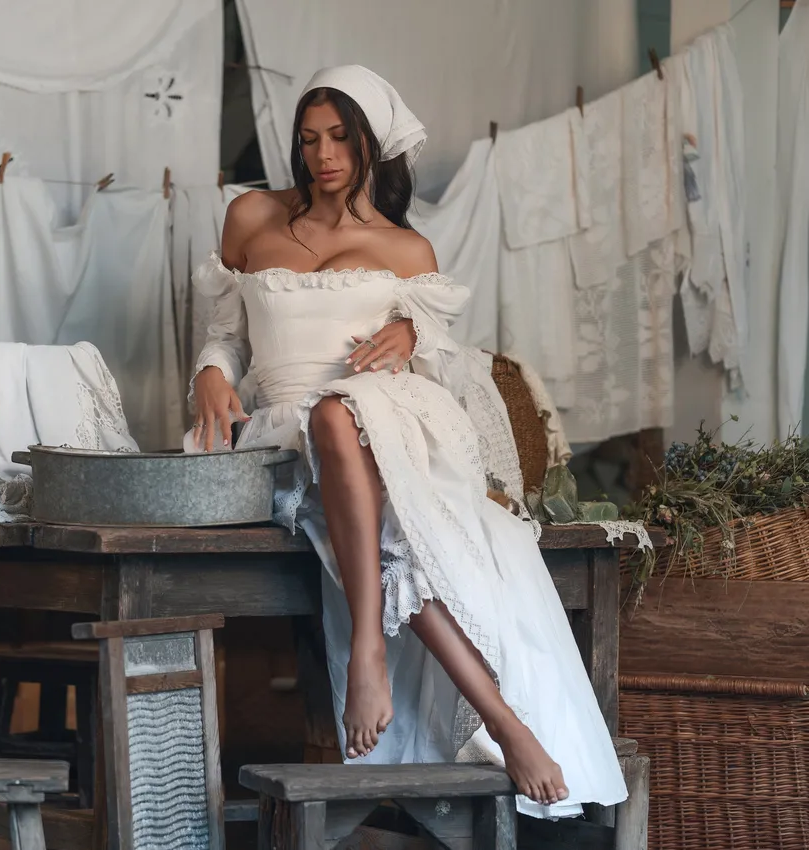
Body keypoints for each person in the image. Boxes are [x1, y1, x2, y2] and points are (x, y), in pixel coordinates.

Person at [189, 65, 626, 817]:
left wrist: (412, 329)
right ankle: (505, 722)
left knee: (340, 417)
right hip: (277, 435)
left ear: (371, 143)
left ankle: (369, 655)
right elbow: (224, 335)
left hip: (379, 424)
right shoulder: (252, 217)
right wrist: (207, 373)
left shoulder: (407, 251)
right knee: (328, 425)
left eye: (340, 138)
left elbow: (431, 372)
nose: (323, 154)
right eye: (309, 139)